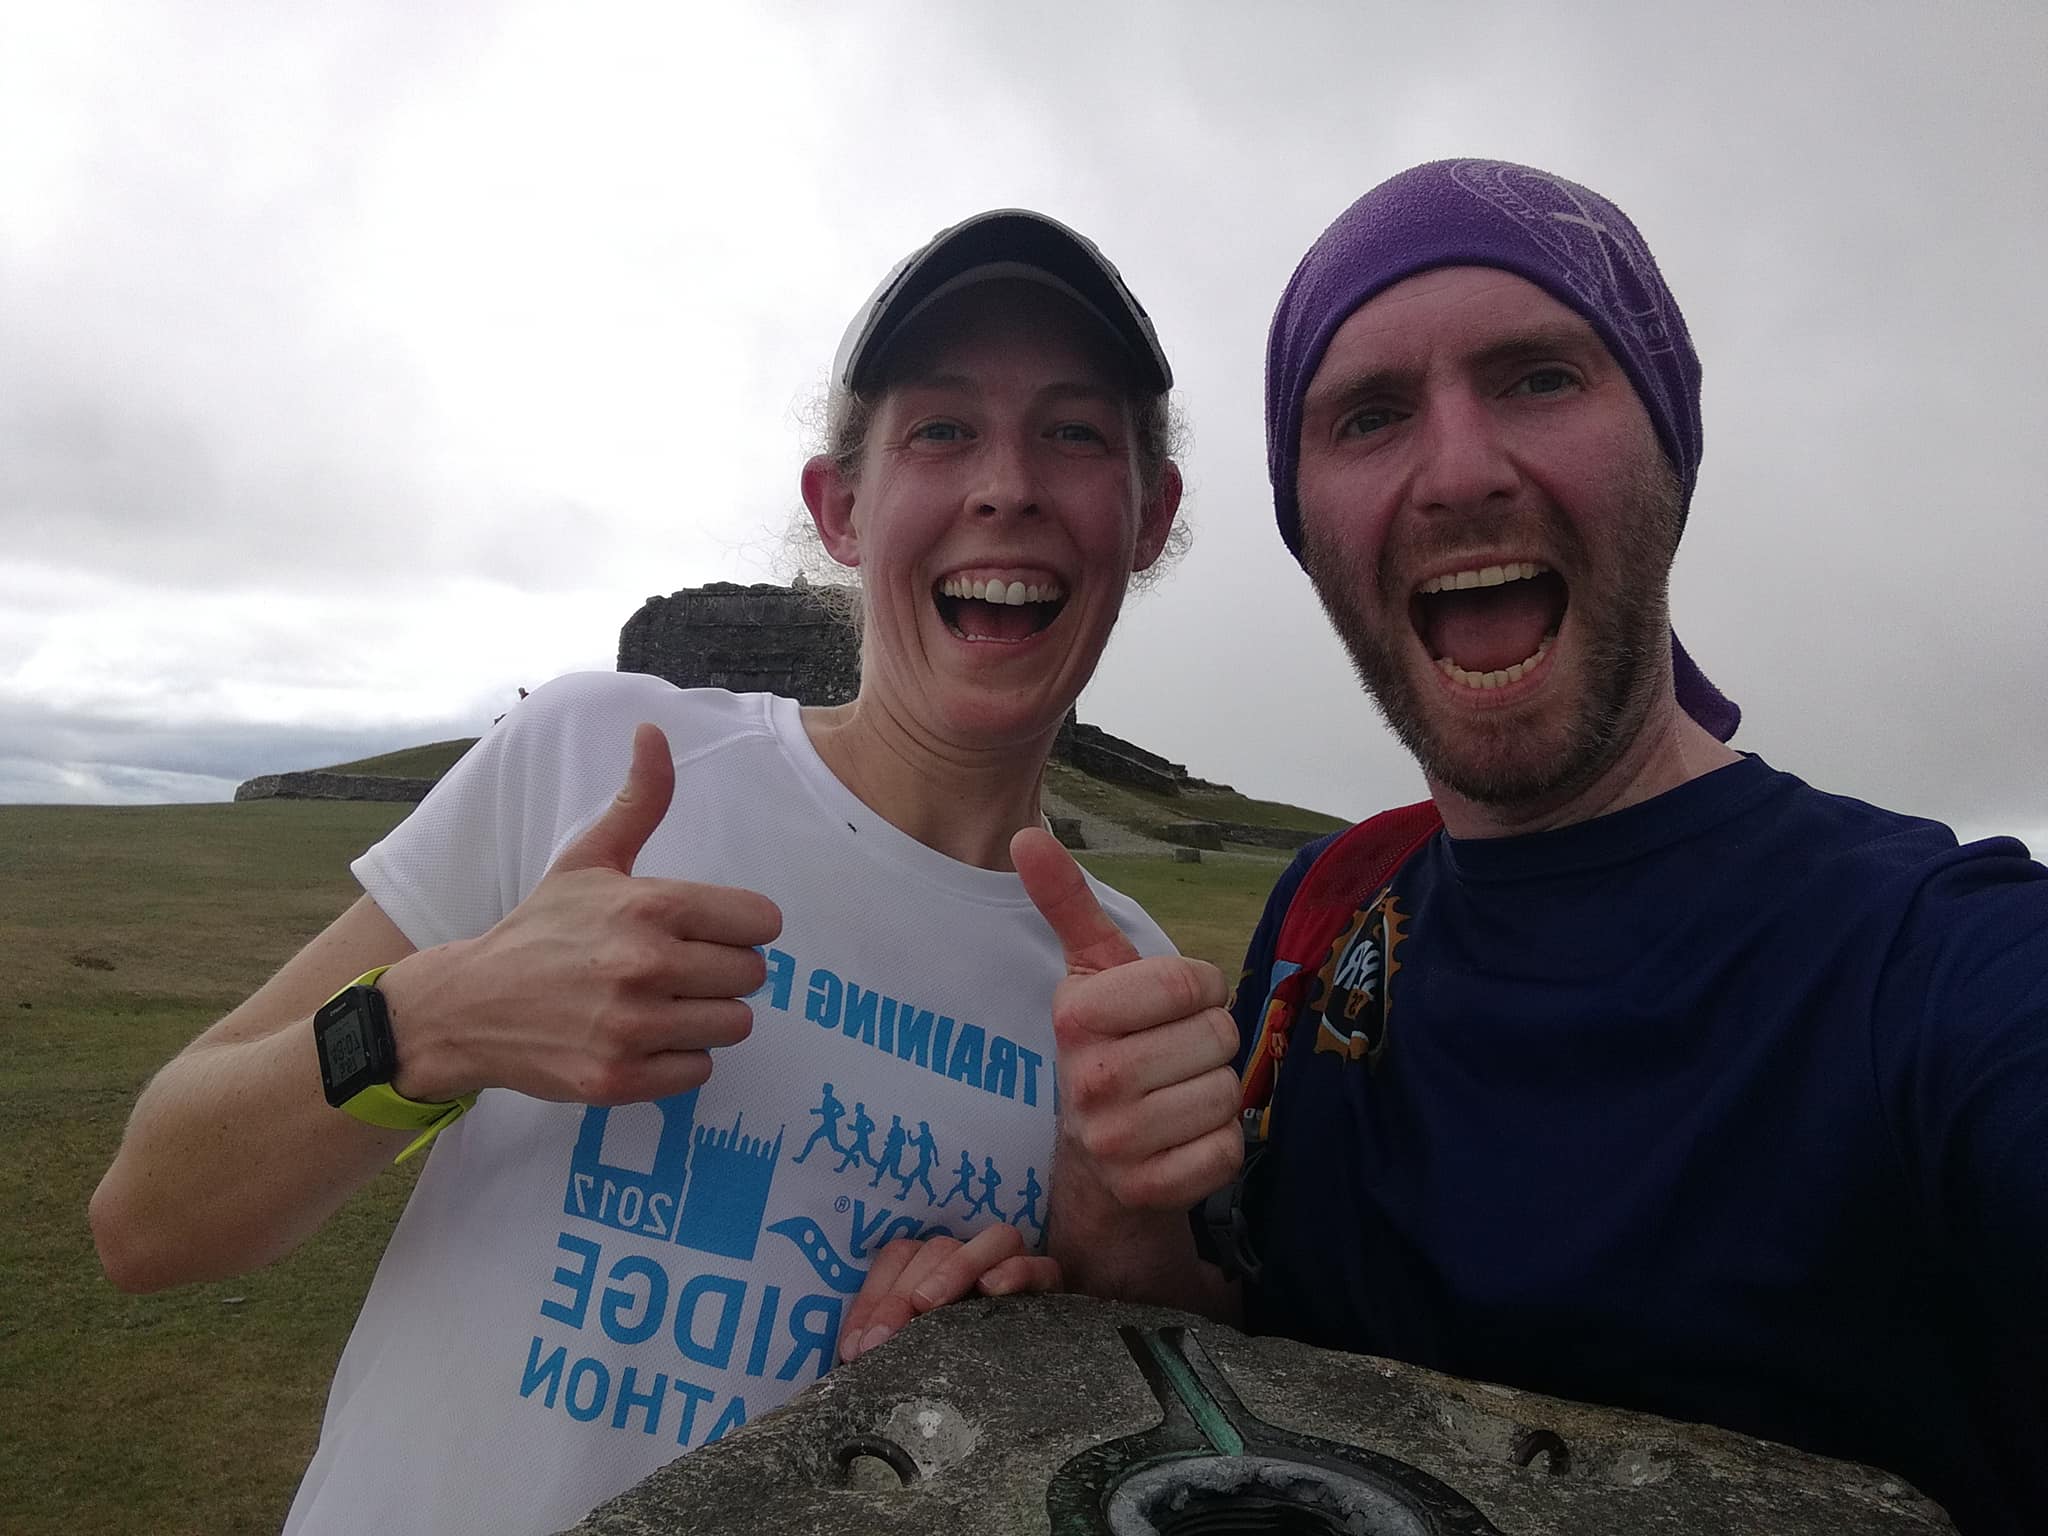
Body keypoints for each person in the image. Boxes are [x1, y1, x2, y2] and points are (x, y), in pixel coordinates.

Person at [89, 207, 1187, 1534]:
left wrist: (984, 1353)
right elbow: (149, 1217)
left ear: (1148, 515)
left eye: (1074, 432)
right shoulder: (601, 755)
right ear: (841, 509)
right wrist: (436, 1018)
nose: (1006, 483)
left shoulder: (1127, 997)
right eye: (941, 429)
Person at [1026, 161, 2047, 1536]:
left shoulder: (1939, 963)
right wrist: (1117, 1209)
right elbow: (1229, 1354)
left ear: (1668, 449)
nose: (1457, 472)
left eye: (1538, 379)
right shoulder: (1326, 921)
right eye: (1371, 416)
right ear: (1311, 529)